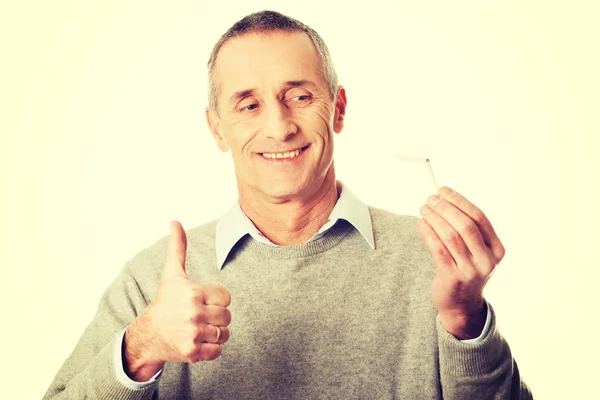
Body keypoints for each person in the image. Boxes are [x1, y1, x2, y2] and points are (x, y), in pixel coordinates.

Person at [44, 10, 533, 399]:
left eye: (299, 96)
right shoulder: (154, 281)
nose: (280, 128)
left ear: (338, 109)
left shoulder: (436, 263)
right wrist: (142, 345)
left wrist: (468, 322)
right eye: (249, 105)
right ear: (217, 128)